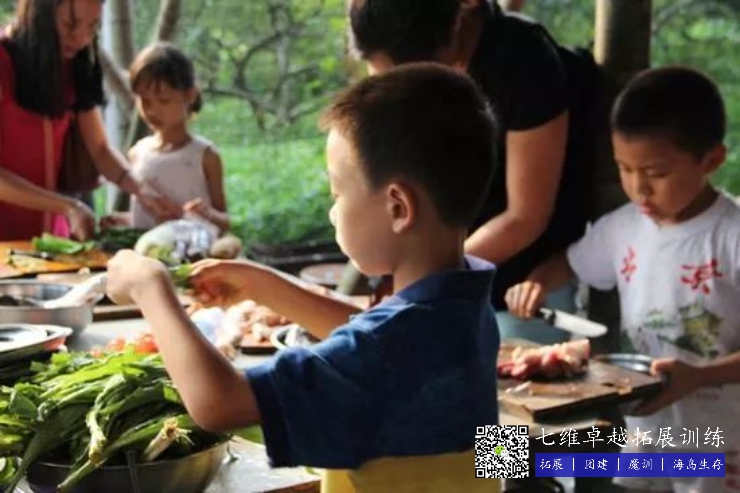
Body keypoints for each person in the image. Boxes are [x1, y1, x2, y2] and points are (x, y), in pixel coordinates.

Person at [107, 63, 501, 493]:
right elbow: (486, 446)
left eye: (338, 193)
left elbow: (219, 403)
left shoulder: (383, 350)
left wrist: (150, 287)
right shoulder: (467, 301)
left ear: (398, 208)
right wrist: (262, 286)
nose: (333, 212)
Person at [506, 66, 740, 493]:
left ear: (711, 160)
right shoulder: (622, 228)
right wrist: (536, 283)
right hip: (643, 439)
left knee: (508, 456)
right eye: (625, 169)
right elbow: (568, 263)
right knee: (502, 453)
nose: (638, 189)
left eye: (656, 173)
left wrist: (700, 376)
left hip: (717, 447)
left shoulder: (731, 236)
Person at [346, 0, 602, 344]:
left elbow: (524, 217)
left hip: (519, 286)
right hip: (431, 273)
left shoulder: (524, 61)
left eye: (413, 73)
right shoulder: (393, 44)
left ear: (453, 28)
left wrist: (422, 278)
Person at [0, 0, 180, 241]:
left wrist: (143, 191)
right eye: (70, 24)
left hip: (50, 240)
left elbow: (100, 150)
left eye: (92, 26)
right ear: (38, 13)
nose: (81, 39)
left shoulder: (73, 63)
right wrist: (67, 206)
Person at [121, 42, 229, 233]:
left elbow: (225, 222)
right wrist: (123, 221)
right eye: (144, 100)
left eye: (163, 100)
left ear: (190, 95)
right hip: (144, 251)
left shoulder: (205, 156)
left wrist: (208, 214)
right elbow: (142, 215)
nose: (151, 109)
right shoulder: (137, 153)